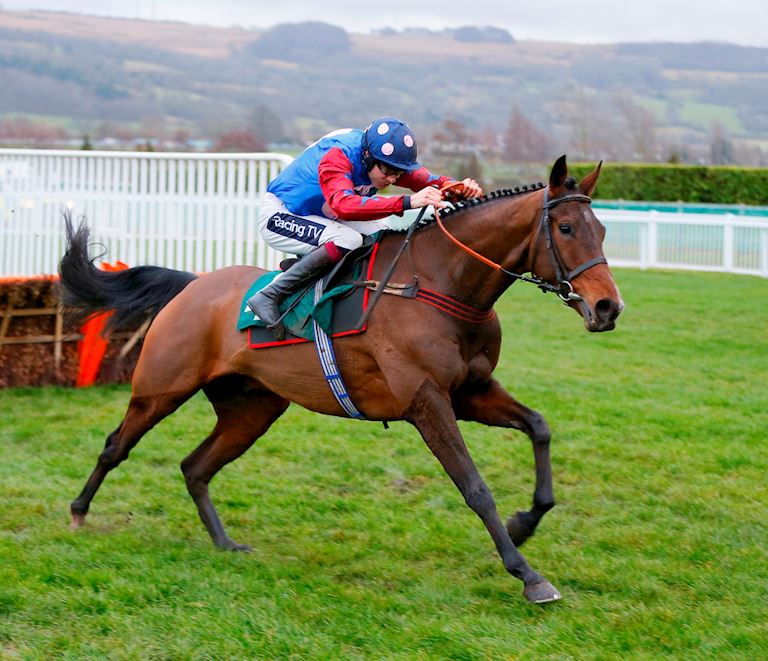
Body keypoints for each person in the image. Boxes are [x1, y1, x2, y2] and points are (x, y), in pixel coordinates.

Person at [247, 117, 483, 339]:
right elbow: (343, 206)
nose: (392, 179)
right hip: (282, 215)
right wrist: (407, 202)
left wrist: (455, 187)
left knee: (383, 233)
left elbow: (421, 178)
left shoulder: (380, 158)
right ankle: (270, 295)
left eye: (398, 173)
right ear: (368, 156)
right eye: (388, 172)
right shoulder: (338, 155)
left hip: (321, 213)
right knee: (347, 240)